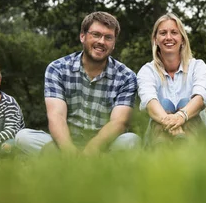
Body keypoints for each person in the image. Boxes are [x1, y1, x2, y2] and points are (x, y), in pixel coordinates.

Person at [16, 11, 140, 155]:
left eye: (108, 37)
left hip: (104, 146)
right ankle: (73, 163)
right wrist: (69, 151)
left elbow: (118, 122)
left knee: (131, 140)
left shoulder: (126, 77)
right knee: (23, 137)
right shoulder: (57, 69)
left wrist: (92, 149)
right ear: (83, 36)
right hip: (65, 143)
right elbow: (57, 116)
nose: (101, 41)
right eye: (96, 34)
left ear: (113, 44)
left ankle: (70, 164)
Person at [137, 13, 206, 146]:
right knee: (164, 104)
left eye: (174, 32)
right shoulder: (147, 71)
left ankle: (183, 149)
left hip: (197, 135)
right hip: (157, 136)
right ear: (155, 39)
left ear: (182, 39)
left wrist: (181, 116)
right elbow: (150, 102)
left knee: (185, 102)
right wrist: (173, 124)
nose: (168, 37)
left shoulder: (198, 67)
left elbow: (200, 99)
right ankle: (168, 148)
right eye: (163, 33)